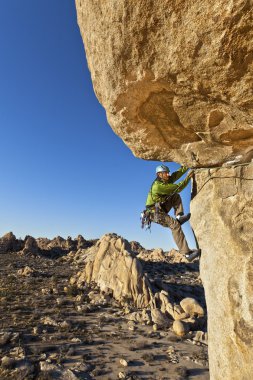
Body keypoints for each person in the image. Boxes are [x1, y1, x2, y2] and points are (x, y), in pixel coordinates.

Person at [145, 164, 201, 262]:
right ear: (159, 174)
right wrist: (189, 177)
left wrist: (188, 165)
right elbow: (178, 187)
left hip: (161, 208)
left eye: (167, 172)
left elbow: (177, 174)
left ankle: (179, 216)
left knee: (175, 196)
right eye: (166, 173)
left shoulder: (165, 180)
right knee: (175, 226)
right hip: (154, 213)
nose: (168, 174)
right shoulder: (158, 186)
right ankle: (187, 254)